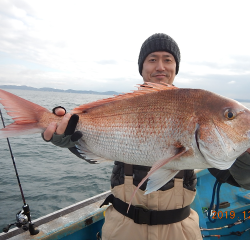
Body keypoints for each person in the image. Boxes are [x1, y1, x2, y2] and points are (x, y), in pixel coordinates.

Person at [42, 33, 250, 240]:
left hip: (180, 230)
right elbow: (98, 146)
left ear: (175, 68)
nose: (160, 66)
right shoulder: (125, 106)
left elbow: (239, 178)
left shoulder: (200, 117)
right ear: (142, 67)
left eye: (168, 60)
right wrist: (70, 140)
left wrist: (244, 151)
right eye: (152, 60)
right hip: (123, 228)